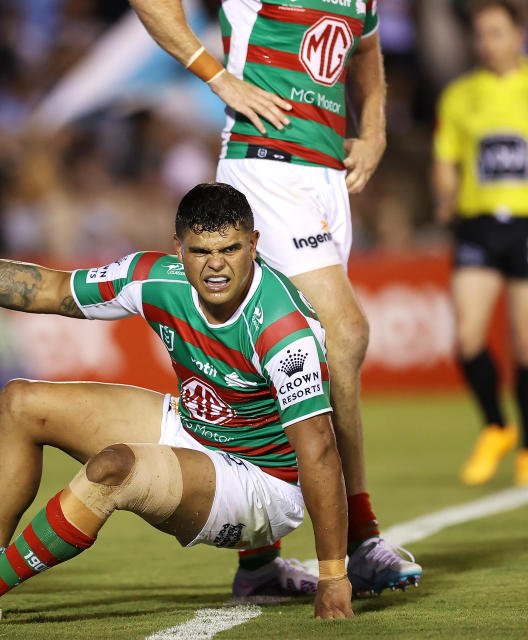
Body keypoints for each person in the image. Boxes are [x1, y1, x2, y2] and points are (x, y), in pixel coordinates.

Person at [0, 183, 354, 631]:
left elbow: (318, 454)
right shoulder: (153, 278)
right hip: (195, 428)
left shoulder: (282, 328)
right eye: (201, 251)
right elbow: (53, 289)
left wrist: (333, 577)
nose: (216, 267)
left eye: (230, 249)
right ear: (178, 248)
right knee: (21, 402)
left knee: (114, 469)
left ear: (253, 243)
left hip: (263, 485)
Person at [125, 0, 422, 595]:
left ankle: (259, 561)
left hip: (326, 175)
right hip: (265, 165)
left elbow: (364, 44)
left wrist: (375, 124)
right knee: (346, 332)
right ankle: (359, 541)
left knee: (290, 348)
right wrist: (217, 75)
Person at [433, 0, 528, 487]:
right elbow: (447, 156)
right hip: (478, 225)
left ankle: (527, 447)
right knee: (469, 337)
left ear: (517, 34)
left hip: (526, 225)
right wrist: (446, 193)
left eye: (495, 32)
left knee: (526, 345)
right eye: (480, 34)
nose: (486, 42)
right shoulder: (460, 95)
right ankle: (496, 424)